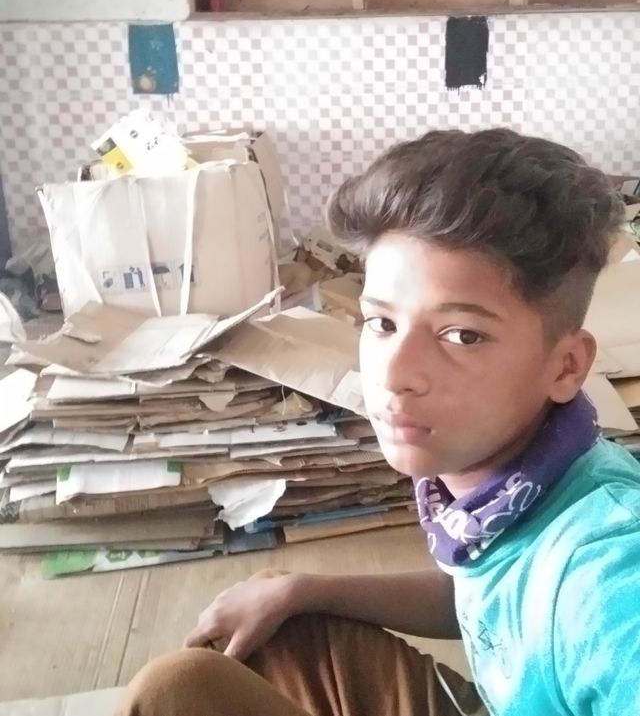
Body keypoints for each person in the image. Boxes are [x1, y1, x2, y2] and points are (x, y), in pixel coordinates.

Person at [116, 129, 640, 716]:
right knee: (267, 631)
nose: (394, 375)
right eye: (382, 323)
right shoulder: (501, 493)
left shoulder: (610, 576)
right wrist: (308, 590)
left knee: (173, 695)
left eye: (462, 336)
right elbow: (482, 595)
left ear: (565, 366)